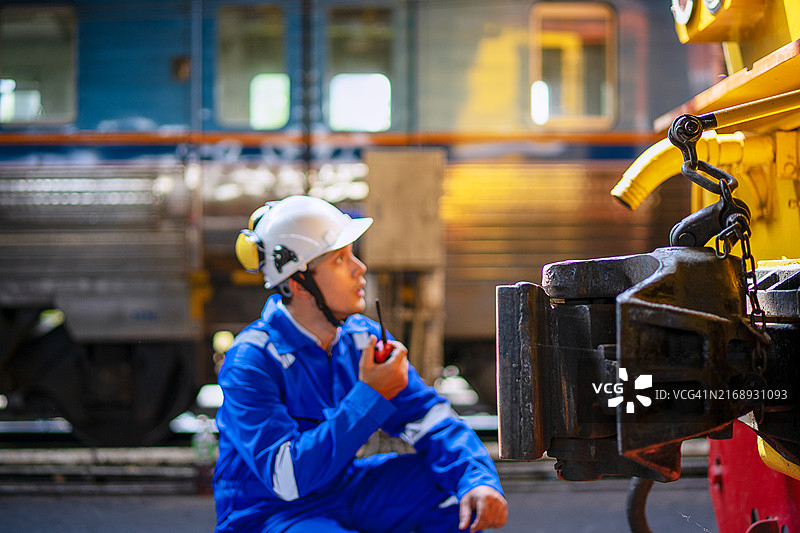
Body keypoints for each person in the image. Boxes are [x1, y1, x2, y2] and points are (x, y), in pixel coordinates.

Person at [213, 195, 508, 533]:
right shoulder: (250, 362)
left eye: (352, 253)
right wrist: (371, 393)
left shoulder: (360, 338)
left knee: (458, 496)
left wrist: (477, 479)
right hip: (269, 514)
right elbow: (288, 479)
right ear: (299, 282)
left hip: (342, 492)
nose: (360, 267)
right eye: (340, 259)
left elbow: (430, 417)